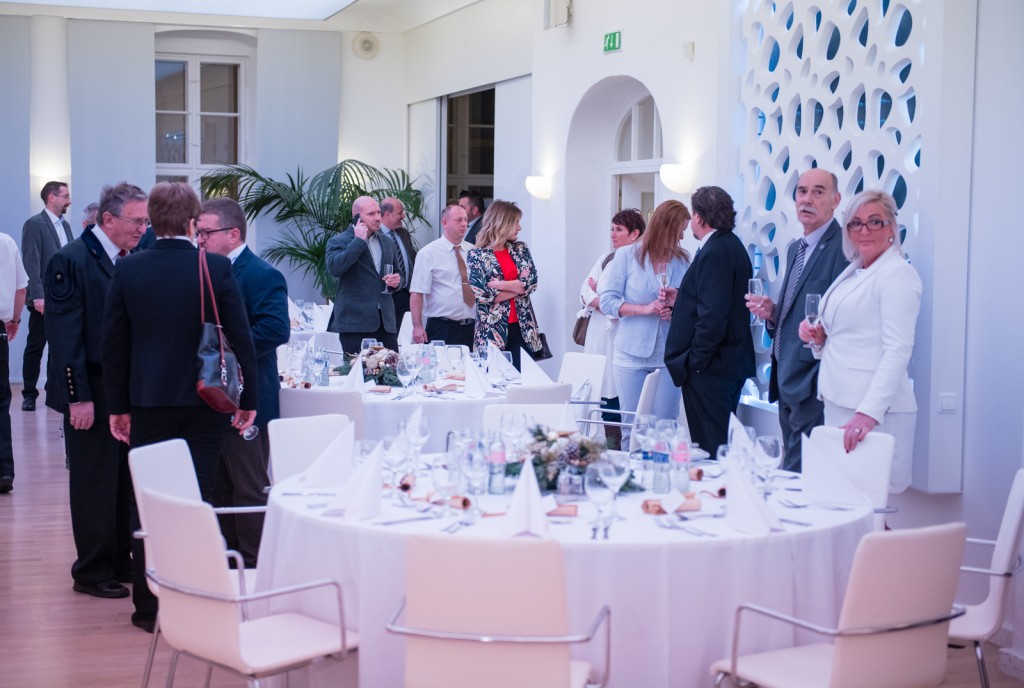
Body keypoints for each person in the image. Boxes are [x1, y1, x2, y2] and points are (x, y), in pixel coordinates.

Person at [103, 181, 259, 633]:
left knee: (149, 501)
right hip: (207, 400)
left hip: (149, 401)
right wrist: (247, 400)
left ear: (152, 220)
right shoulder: (215, 267)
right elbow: (240, 337)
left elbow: (114, 345)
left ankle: (148, 607)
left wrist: (118, 407)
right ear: (193, 222)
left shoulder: (128, 269)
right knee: (198, 498)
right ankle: (195, 598)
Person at [45, 182, 148, 601]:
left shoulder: (129, 259)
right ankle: (90, 569)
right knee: (94, 482)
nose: (142, 228)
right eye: (135, 220)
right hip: (90, 389)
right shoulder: (70, 261)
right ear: (108, 219)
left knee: (122, 479)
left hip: (122, 390)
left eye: (146, 221)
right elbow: (65, 336)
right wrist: (78, 398)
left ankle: (120, 559)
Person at [799, 190, 921, 493]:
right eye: (856, 223)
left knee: (868, 506)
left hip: (872, 412)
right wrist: (819, 338)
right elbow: (848, 336)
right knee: (839, 500)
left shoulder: (897, 274)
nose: (864, 230)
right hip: (839, 403)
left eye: (874, 221)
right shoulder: (856, 270)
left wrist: (868, 414)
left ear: (892, 227)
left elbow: (898, 350)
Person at [197, 197, 290, 568]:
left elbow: (275, 329)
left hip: (249, 395)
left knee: (249, 485)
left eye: (206, 232)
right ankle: (227, 558)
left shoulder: (262, 274)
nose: (200, 239)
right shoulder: (203, 271)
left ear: (233, 234)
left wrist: (221, 349)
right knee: (218, 484)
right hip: (209, 397)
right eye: (198, 232)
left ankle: (254, 564)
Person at [745, 169, 848, 471]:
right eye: (802, 191)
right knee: (793, 468)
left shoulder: (844, 248)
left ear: (836, 200)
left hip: (812, 382)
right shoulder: (795, 248)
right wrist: (772, 313)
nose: (807, 199)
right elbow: (800, 312)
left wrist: (815, 381)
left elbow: (842, 321)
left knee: (799, 474)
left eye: (818, 192)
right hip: (786, 376)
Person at [664, 186, 755, 453]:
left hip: (711, 369)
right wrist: (682, 298)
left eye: (693, 214)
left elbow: (713, 317)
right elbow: (717, 301)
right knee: (720, 444)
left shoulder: (715, 251)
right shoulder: (731, 245)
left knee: (712, 448)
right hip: (725, 364)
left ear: (699, 217)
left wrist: (696, 362)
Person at [599, 201, 689, 446]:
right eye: (680, 230)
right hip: (630, 355)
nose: (682, 236)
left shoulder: (683, 260)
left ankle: (662, 471)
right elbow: (607, 302)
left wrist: (674, 309)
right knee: (634, 428)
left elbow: (690, 303)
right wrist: (644, 309)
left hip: (668, 356)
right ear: (665, 226)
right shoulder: (627, 255)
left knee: (666, 428)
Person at [580, 208, 646, 448]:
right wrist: (603, 300)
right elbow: (584, 291)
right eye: (612, 229)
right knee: (597, 388)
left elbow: (629, 300)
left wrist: (602, 299)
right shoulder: (606, 258)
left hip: (619, 336)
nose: (613, 234)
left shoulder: (639, 262)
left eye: (619, 230)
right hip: (597, 334)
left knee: (615, 392)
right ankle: (597, 444)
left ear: (634, 234)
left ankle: (616, 446)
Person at [467, 200, 542, 370]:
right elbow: (483, 295)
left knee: (524, 380)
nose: (519, 228)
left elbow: (532, 283)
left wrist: (498, 284)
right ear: (502, 223)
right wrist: (519, 288)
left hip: (523, 330)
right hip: (491, 332)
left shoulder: (520, 249)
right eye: (516, 222)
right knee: (494, 380)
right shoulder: (476, 255)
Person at [20, 180, 73, 411]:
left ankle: (53, 391)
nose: (69, 200)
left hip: (65, 297)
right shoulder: (34, 224)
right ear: (52, 197)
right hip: (43, 298)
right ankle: (29, 394)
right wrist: (37, 296)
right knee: (36, 346)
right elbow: (31, 262)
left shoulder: (66, 226)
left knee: (58, 346)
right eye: (65, 196)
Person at [326, 196, 400, 352]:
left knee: (392, 367)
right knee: (356, 368)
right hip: (355, 324)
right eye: (371, 214)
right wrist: (359, 241)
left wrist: (397, 281)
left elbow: (398, 273)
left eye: (378, 212)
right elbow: (335, 269)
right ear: (357, 217)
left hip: (386, 324)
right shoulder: (339, 241)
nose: (378, 218)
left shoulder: (387, 242)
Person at [409, 204, 476, 347]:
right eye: (458, 220)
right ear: (445, 223)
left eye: (466, 220)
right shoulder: (428, 253)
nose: (464, 224)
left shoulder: (474, 251)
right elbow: (417, 293)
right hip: (441, 327)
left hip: (471, 326)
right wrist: (417, 326)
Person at [0, 233, 27, 494]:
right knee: (0, 403)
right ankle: (4, 471)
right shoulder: (6, 242)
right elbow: (21, 289)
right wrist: (15, 320)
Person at [379, 197, 418, 328]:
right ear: (387, 214)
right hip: (386, 297)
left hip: (406, 295)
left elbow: (412, 259)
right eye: (400, 213)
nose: (403, 216)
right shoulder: (374, 236)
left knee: (405, 334)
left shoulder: (403, 234)